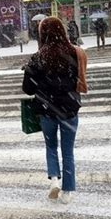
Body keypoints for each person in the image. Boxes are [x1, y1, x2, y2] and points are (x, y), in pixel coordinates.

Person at [22, 17, 88, 203]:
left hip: (47, 110)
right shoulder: (75, 53)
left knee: (51, 147)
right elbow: (79, 78)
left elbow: (28, 89)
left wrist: (30, 72)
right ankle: (67, 192)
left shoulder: (37, 58)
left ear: (43, 35)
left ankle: (54, 180)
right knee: (68, 151)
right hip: (69, 109)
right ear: (63, 32)